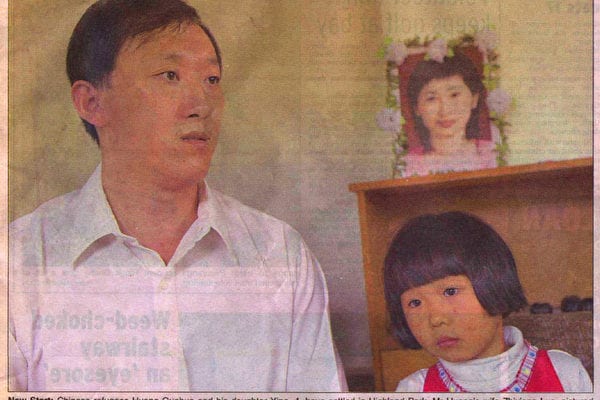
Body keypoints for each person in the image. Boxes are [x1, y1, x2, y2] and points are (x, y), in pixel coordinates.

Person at [9, 0, 347, 391]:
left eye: (211, 80)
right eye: (170, 75)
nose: (201, 105)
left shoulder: (280, 256)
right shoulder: (18, 263)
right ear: (92, 102)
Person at [383, 212, 592, 392]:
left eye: (450, 291)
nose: (436, 319)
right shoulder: (414, 390)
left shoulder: (564, 373)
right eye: (415, 303)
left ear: (494, 283)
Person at [403, 52, 497, 176]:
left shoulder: (494, 154)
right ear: (417, 108)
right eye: (431, 98)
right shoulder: (405, 164)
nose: (445, 110)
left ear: (474, 99)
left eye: (454, 95)